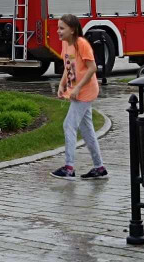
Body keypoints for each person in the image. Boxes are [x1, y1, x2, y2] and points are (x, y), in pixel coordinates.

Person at [51, 14, 107, 180]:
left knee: (69, 125)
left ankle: (69, 167)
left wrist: (78, 88)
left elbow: (92, 68)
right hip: (76, 91)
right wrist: (62, 85)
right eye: (58, 27)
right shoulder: (65, 44)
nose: (58, 31)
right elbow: (68, 67)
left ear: (73, 29)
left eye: (62, 28)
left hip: (86, 92)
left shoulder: (81, 44)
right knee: (87, 130)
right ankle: (99, 167)